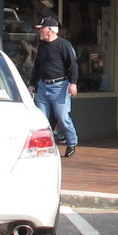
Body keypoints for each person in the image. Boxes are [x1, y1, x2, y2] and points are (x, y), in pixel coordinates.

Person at [28, 16, 79, 157]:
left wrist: (73, 83)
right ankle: (43, 144)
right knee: (42, 118)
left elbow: (72, 65)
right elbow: (37, 66)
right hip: (43, 86)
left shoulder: (63, 45)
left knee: (62, 117)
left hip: (60, 86)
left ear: (50, 30)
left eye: (42, 29)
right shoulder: (42, 45)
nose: (40, 32)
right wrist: (32, 84)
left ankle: (71, 142)